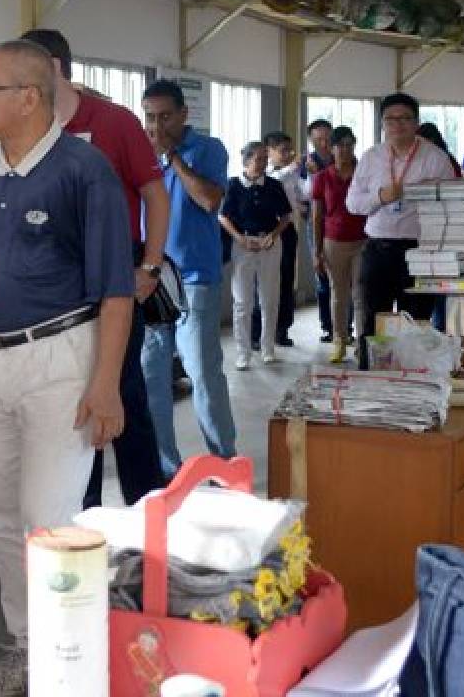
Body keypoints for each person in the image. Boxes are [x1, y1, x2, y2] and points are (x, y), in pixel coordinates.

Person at [0, 39, 134, 697]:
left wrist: (105, 387)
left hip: (60, 359)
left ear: (30, 98)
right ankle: (29, 643)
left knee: (48, 518)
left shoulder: (84, 170)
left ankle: (65, 657)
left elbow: (116, 288)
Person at [21, 28, 168, 510]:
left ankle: (148, 515)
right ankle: (78, 518)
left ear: (54, 68)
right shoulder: (30, 126)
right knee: (68, 404)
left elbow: (154, 194)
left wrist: (149, 266)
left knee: (122, 391)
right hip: (53, 279)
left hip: (115, 272)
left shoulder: (113, 121)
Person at [139, 79, 238, 480]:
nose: (157, 125)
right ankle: (166, 470)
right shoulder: (140, 153)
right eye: (150, 116)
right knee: (152, 379)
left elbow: (211, 200)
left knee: (202, 373)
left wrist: (174, 159)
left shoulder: (207, 149)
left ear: (183, 114)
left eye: (165, 116)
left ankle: (226, 464)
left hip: (195, 280)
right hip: (150, 278)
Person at [346, 93, 453, 370]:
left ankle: (414, 384)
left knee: (416, 323)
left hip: (420, 252)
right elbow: (353, 204)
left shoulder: (435, 158)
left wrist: (428, 194)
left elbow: (452, 205)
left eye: (405, 118)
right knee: (372, 321)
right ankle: (369, 381)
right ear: (382, 123)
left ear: (416, 123)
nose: (398, 125)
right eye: (391, 119)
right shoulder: (371, 158)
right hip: (378, 249)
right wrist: (382, 196)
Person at [220, 141, 293, 370]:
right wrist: (239, 238)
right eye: (259, 158)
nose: (263, 162)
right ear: (247, 160)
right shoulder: (233, 185)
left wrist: (273, 235)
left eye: (265, 158)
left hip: (270, 244)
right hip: (243, 245)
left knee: (269, 299)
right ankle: (243, 353)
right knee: (242, 301)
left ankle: (267, 349)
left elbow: (285, 217)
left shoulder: (274, 185)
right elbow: (223, 217)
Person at [311, 126, 367, 364]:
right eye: (339, 145)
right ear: (330, 149)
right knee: (338, 294)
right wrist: (317, 251)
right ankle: (339, 341)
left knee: (361, 295)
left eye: (349, 144)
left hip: (363, 241)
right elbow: (316, 216)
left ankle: (363, 343)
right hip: (333, 242)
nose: (345, 150)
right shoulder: (322, 177)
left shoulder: (363, 174)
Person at [250, 131, 300, 351]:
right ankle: (256, 333)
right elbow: (272, 182)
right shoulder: (266, 175)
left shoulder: (294, 174)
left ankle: (282, 330)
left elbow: (302, 194)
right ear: (268, 152)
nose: (288, 155)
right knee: (259, 285)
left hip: (286, 230)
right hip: (264, 234)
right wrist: (292, 168)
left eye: (290, 150)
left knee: (286, 281)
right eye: (282, 151)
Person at [299, 119, 335, 342]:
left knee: (343, 278)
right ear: (311, 140)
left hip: (340, 222)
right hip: (315, 222)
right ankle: (327, 326)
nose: (323, 143)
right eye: (318, 139)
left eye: (327, 138)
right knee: (321, 273)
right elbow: (299, 193)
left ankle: (344, 326)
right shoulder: (303, 163)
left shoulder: (343, 159)